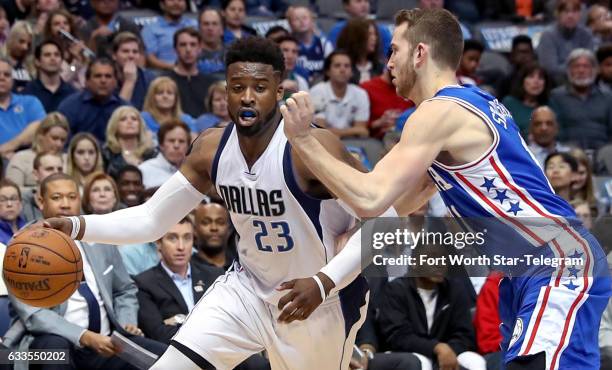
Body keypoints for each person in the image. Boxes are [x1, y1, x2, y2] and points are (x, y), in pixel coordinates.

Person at [281, 8, 611, 370]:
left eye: (394, 50)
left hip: (554, 258)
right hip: (532, 266)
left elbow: (370, 198)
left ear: (420, 53)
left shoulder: (438, 112)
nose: (387, 62)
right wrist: (329, 274)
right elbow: (392, 210)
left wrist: (304, 140)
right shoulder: (472, 104)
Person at [40, 36, 375, 370]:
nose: (246, 97)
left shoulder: (312, 147)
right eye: (236, 86)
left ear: (278, 92)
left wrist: (324, 281)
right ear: (224, 90)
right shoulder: (211, 149)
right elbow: (151, 219)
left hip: (316, 299)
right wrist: (76, 226)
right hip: (247, 291)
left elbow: (387, 223)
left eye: (259, 87)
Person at [6, 173, 168, 370]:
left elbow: (124, 290)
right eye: (57, 197)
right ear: (41, 201)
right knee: (54, 350)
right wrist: (86, 337)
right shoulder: (22, 246)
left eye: (72, 197)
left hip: (106, 343)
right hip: (46, 346)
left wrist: (126, 322)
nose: (65, 204)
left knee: (166, 357)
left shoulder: (99, 236)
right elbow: (35, 316)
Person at [134, 217, 224, 343]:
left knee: (256, 362)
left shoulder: (214, 275)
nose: (181, 247)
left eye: (187, 238)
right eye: (172, 238)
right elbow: (159, 333)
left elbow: (227, 322)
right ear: (158, 243)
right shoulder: (144, 283)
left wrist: (178, 319)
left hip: (220, 348)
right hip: (177, 355)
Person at [549, 48, 612, 151]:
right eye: (576, 66)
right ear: (569, 71)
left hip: (603, 151)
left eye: (586, 66)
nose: (581, 70)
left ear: (595, 70)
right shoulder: (556, 97)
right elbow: (556, 132)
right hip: (568, 152)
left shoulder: (608, 97)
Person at [57, 58, 130, 143]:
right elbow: (62, 141)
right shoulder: (70, 106)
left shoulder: (124, 108)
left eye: (108, 76)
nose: (103, 81)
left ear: (115, 82)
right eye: (98, 76)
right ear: (86, 81)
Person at [309, 51, 370, 138]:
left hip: (353, 144)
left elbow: (362, 131)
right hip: (323, 143)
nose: (342, 70)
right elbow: (320, 130)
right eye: (337, 65)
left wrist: (336, 132)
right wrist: (352, 131)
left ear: (352, 72)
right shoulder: (317, 92)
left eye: (347, 66)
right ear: (327, 71)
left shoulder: (361, 94)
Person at [5, 112, 68, 192]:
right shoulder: (21, 158)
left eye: (63, 140)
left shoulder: (69, 160)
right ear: (40, 135)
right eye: (54, 138)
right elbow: (11, 191)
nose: (59, 144)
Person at [164, 27, 217, 119]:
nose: (188, 49)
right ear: (175, 49)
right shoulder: (165, 82)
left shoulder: (211, 84)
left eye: (193, 45)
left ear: (200, 49)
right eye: (183, 45)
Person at [537, 0, 594, 84]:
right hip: (556, 83)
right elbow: (550, 69)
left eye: (574, 11)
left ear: (580, 15)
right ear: (558, 14)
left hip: (584, 82)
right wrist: (578, 69)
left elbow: (591, 63)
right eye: (566, 12)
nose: (570, 16)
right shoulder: (548, 35)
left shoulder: (586, 34)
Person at [0, 57, 46, 157]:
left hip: (27, 160)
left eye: (7, 75)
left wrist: (10, 147)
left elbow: (39, 127)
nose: (2, 78)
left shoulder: (30, 102)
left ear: (12, 80)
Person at [22, 39, 76, 112]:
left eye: (57, 55)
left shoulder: (72, 94)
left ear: (61, 61)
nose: (53, 58)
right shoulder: (27, 93)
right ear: (37, 61)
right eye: (47, 55)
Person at [141, 0, 196, 71]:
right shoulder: (151, 29)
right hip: (164, 75)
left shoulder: (195, 25)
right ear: (162, 5)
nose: (176, 3)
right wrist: (175, 68)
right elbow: (150, 58)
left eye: (180, 0)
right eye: (171, 0)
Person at [102, 105, 156, 178]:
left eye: (134, 119)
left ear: (140, 125)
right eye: (123, 119)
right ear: (114, 126)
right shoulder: (106, 153)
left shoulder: (151, 154)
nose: (130, 122)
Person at [360, 67, 412, 140]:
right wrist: (379, 122)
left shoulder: (411, 87)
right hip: (376, 141)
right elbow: (357, 127)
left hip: (408, 138)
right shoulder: (366, 88)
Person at [41, 9, 88, 90]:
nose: (62, 26)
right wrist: (76, 62)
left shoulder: (77, 48)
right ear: (50, 29)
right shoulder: (48, 53)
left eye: (65, 23)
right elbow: (62, 80)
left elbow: (85, 79)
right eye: (57, 24)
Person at [501, 63, 551, 139]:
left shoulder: (550, 105)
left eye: (540, 78)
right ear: (522, 81)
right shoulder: (509, 103)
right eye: (531, 77)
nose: (536, 81)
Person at [286, 5, 333, 83]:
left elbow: (332, 69)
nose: (301, 21)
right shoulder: (287, 45)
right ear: (290, 24)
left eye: (304, 18)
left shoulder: (324, 44)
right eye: (296, 19)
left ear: (312, 20)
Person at [326, 0, 391, 56]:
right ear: (346, 6)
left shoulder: (382, 31)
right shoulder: (337, 31)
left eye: (366, 1)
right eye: (358, 1)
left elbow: (389, 59)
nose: (364, 5)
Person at [138, 119, 189, 189]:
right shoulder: (144, 170)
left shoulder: (194, 173)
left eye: (181, 141)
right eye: (171, 141)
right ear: (161, 145)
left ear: (188, 146)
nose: (176, 145)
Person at [111, 32, 155, 110]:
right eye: (125, 51)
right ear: (114, 55)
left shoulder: (150, 79)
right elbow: (117, 115)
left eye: (135, 52)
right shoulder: (106, 77)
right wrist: (129, 81)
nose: (131, 56)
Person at [336, 18, 384, 85]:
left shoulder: (379, 67)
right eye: (369, 34)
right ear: (356, 37)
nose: (374, 38)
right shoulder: (344, 66)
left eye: (375, 34)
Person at [191, 201, 236, 271]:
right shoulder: (187, 269)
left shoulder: (240, 267)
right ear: (194, 230)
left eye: (220, 222)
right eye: (206, 222)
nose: (214, 228)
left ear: (229, 229)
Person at [21, 151, 63, 222]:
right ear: (35, 174)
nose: (56, 173)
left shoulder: (71, 200)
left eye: (60, 169)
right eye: (49, 169)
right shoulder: (22, 202)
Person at [4, 21, 34, 92]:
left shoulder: (33, 66)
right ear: (12, 39)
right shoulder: (1, 62)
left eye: (28, 44)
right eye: (21, 42)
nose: (25, 47)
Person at [197, 8, 225, 78]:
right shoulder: (190, 53)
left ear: (222, 29)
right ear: (199, 28)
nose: (210, 28)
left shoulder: (232, 54)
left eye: (214, 24)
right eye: (206, 24)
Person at [0, 178, 25, 244]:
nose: (9, 204)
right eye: (2, 200)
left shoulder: (28, 227)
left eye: (14, 199)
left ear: (21, 202)